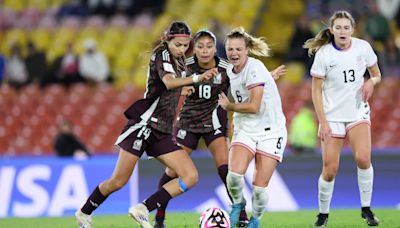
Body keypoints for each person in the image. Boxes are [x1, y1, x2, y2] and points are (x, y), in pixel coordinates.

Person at [74, 21, 218, 228]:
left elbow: (172, 88)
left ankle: (142, 208)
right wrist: (196, 79)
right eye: (178, 44)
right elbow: (168, 82)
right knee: (118, 181)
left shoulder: (181, 63)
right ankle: (84, 213)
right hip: (144, 126)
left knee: (190, 176)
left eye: (186, 45)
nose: (182, 49)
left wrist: (186, 90)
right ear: (168, 40)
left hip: (162, 131)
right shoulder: (161, 56)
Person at [153, 30, 287, 228]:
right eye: (200, 46)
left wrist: (268, 78)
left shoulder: (226, 67)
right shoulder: (185, 67)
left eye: (209, 46)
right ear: (194, 48)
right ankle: (159, 216)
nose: (205, 50)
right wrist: (180, 91)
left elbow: (248, 84)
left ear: (216, 49)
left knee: (227, 170)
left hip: (215, 123)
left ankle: (241, 214)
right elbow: (166, 87)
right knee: (172, 171)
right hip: (188, 124)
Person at [303, 10, 381, 227]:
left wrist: (370, 82)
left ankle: (366, 209)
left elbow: (377, 74)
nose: (343, 31)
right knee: (329, 170)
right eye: (338, 27)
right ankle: (323, 214)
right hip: (332, 116)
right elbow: (315, 91)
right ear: (332, 30)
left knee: (363, 159)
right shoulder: (324, 54)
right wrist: (323, 122)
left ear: (352, 29)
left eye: (346, 27)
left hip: (357, 112)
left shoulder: (363, 47)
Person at [218, 27, 287, 228]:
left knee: (259, 188)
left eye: (238, 49)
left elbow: (255, 107)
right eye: (230, 49)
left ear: (247, 50)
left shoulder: (255, 68)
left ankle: (255, 220)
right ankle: (238, 204)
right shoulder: (230, 70)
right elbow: (240, 91)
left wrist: (230, 107)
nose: (234, 53)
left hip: (270, 131)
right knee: (234, 175)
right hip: (245, 126)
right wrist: (268, 78)